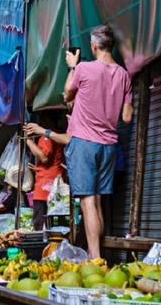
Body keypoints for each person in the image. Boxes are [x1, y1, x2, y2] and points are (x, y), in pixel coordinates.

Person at [63, 25, 133, 259]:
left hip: (84, 142)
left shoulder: (83, 69)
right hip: (109, 145)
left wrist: (72, 67)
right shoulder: (123, 75)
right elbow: (126, 116)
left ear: (94, 46)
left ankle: (94, 259)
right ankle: (100, 257)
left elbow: (67, 95)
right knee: (99, 202)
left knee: (88, 201)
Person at [24, 113, 65, 230]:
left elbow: (44, 158)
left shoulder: (47, 136)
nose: (41, 122)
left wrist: (28, 141)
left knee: (40, 224)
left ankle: (41, 247)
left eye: (43, 119)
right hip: (51, 183)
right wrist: (37, 168)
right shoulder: (55, 135)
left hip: (45, 187)